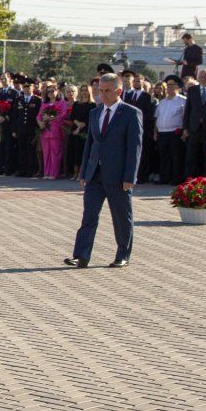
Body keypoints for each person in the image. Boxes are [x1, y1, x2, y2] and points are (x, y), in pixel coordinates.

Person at [67, 73, 141, 270]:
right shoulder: (95, 113)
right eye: (100, 90)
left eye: (107, 91)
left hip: (118, 176)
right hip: (94, 174)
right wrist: (84, 171)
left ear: (118, 91)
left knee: (121, 217)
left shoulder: (130, 113)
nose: (103, 95)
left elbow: (135, 148)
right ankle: (81, 256)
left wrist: (129, 177)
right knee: (89, 216)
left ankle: (122, 254)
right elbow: (90, 144)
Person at [153, 75, 186, 185]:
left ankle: (176, 178)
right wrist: (155, 133)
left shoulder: (183, 101)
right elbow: (157, 118)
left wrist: (185, 131)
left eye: (172, 85)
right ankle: (164, 177)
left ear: (178, 87)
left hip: (175, 132)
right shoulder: (162, 102)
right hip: (162, 133)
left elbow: (186, 118)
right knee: (164, 156)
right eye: (168, 85)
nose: (169, 88)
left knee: (175, 156)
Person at [39, 83, 71, 179]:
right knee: (46, 152)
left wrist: (51, 118)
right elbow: (38, 115)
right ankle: (46, 172)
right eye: (48, 91)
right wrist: (40, 122)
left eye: (52, 91)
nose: (50, 93)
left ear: (57, 91)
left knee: (55, 152)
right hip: (45, 131)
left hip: (56, 131)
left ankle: (54, 173)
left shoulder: (62, 103)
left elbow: (63, 115)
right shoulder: (44, 103)